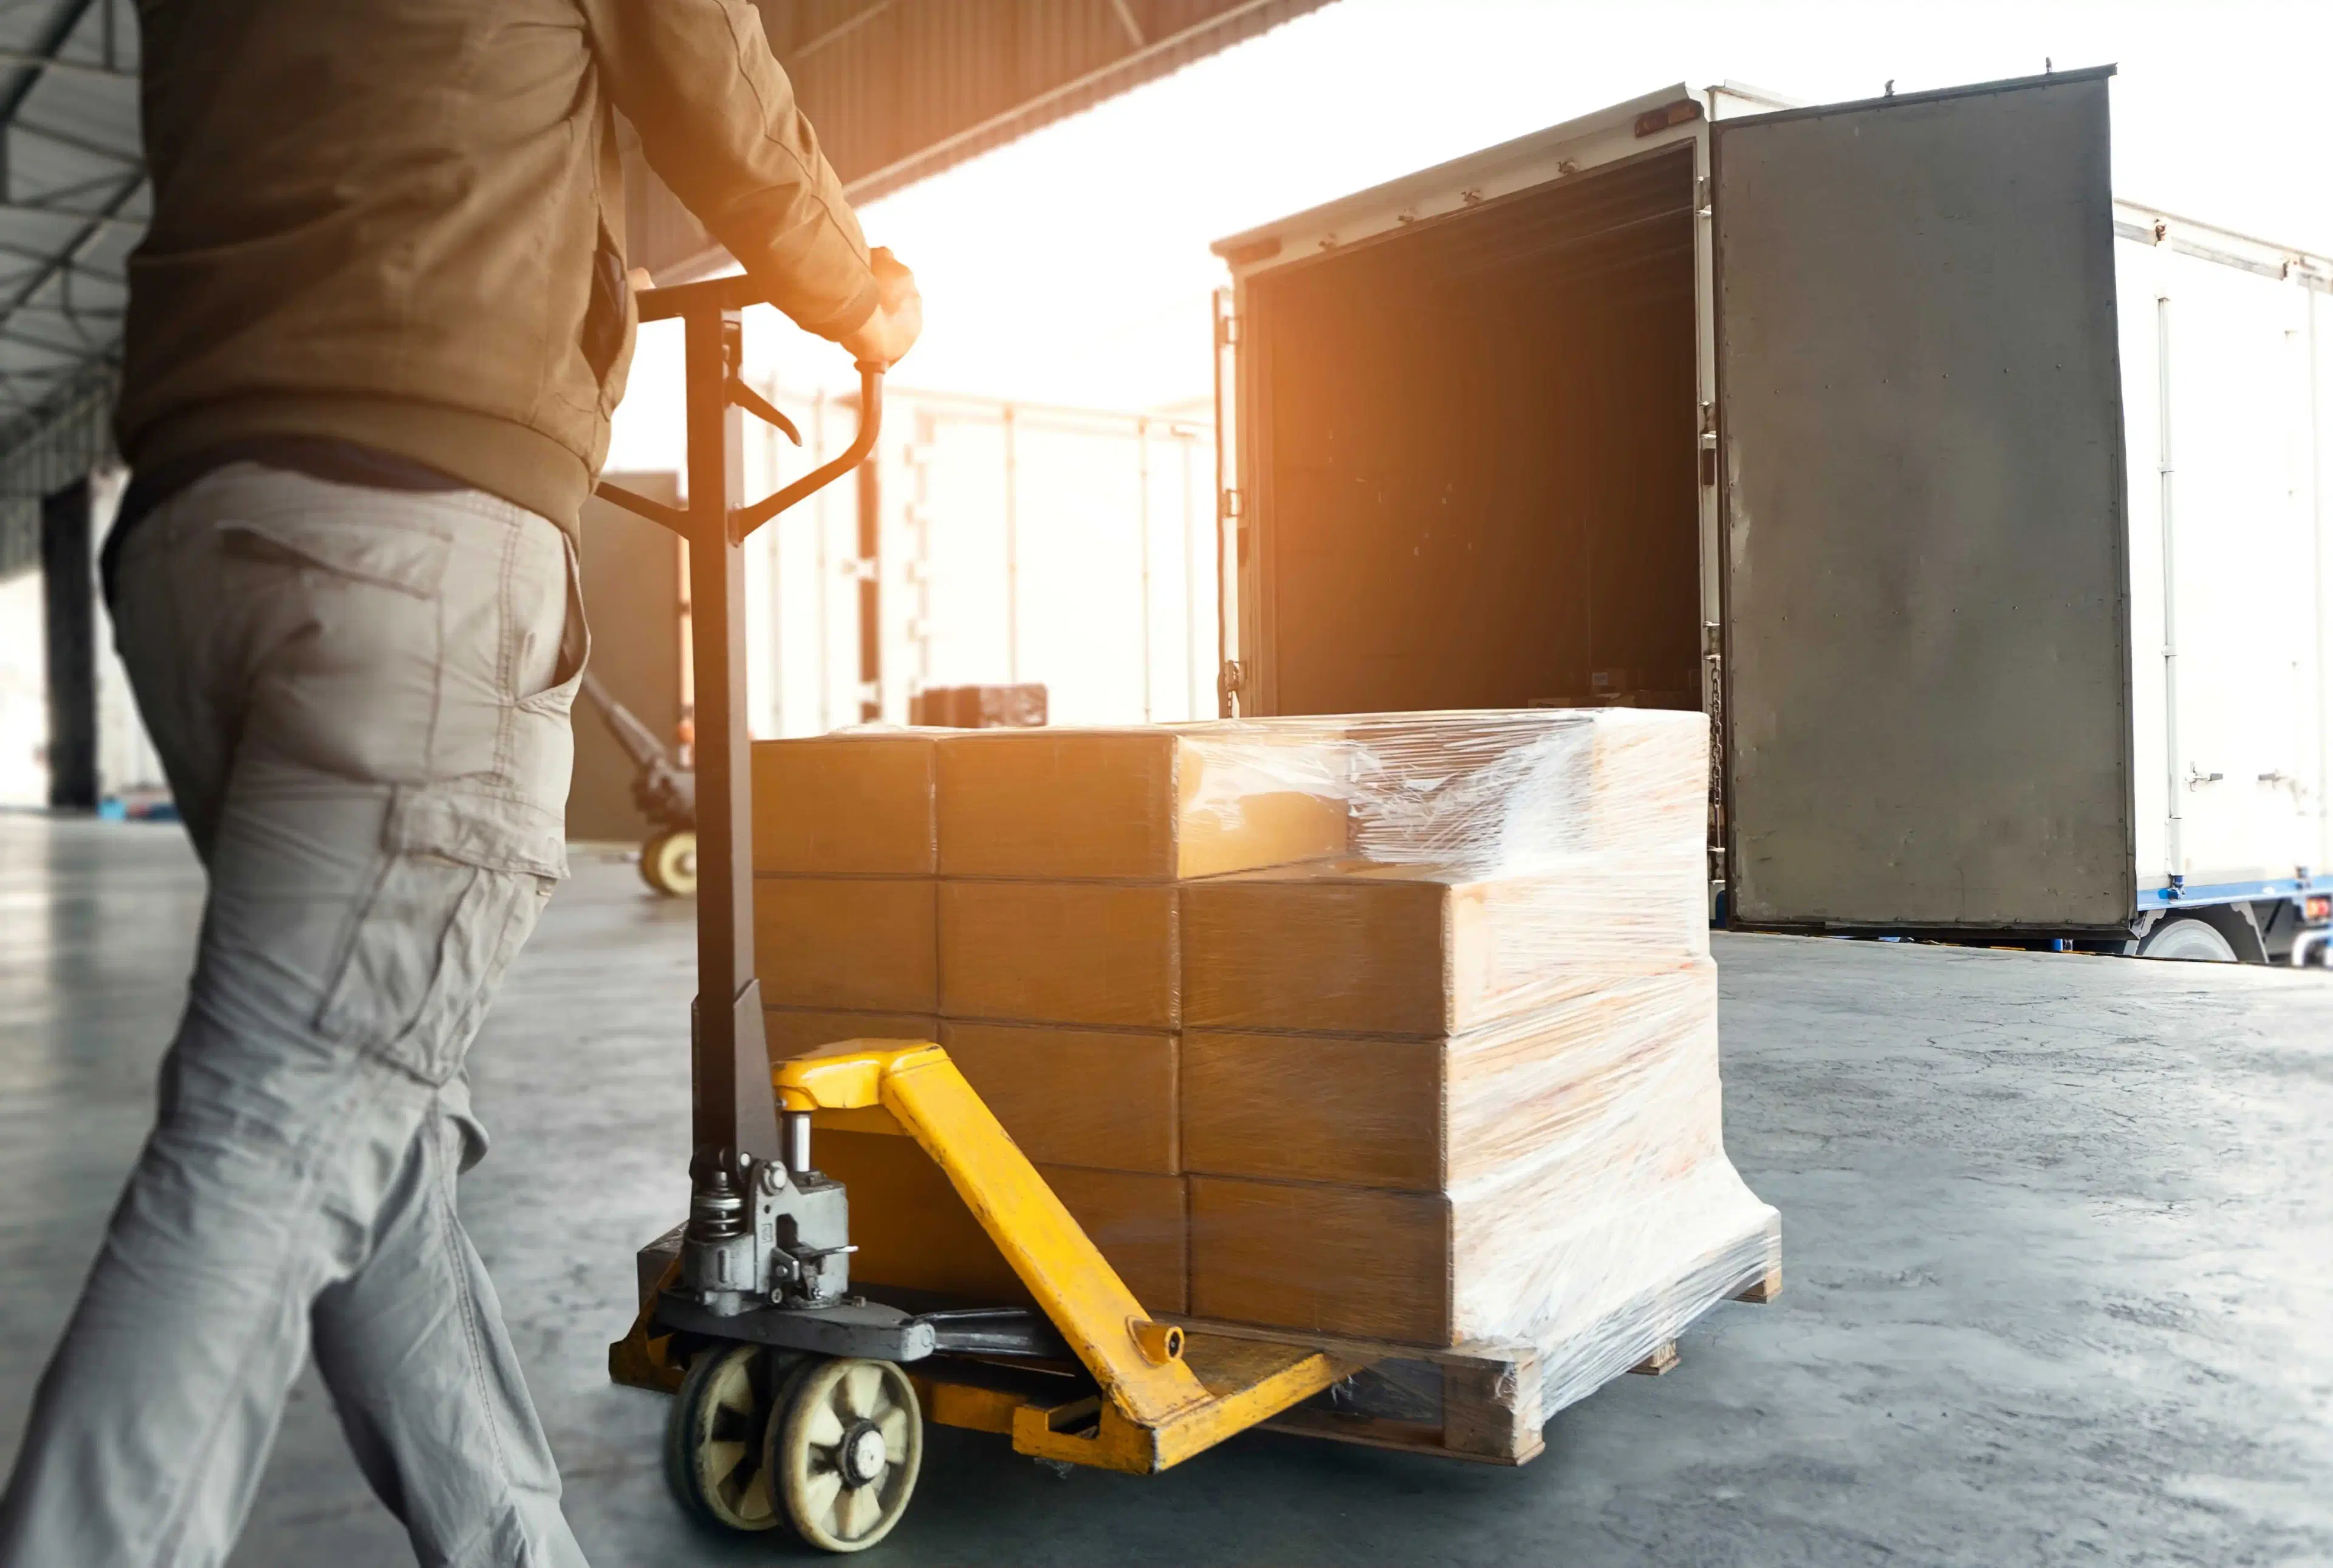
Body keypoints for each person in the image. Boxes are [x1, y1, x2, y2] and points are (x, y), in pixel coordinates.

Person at [0, 3, 919, 1564]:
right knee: (283, 1130)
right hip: (416, 533)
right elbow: (715, 86)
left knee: (378, 1143)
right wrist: (863, 294)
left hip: (189, 533)